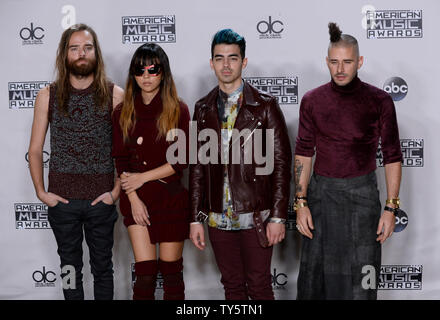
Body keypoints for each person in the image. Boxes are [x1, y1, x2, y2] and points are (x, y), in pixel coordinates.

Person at [294, 22, 403, 300]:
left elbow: (392, 155)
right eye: (334, 62)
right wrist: (301, 203)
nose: (340, 68)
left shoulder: (380, 101)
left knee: (363, 282)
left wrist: (391, 207)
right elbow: (304, 153)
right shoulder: (312, 100)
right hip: (320, 197)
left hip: (363, 198)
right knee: (313, 281)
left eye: (347, 61)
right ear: (326, 62)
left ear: (360, 61)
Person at [189, 29, 292, 300]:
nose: (226, 65)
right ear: (211, 63)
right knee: (232, 287)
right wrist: (195, 218)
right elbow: (197, 169)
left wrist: (279, 216)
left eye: (232, 58)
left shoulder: (265, 106)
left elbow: (281, 164)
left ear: (243, 62)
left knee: (259, 286)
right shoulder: (202, 108)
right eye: (219, 58)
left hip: (256, 214)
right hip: (216, 216)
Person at [28, 23, 124, 300]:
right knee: (69, 269)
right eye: (74, 48)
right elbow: (35, 149)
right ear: (64, 54)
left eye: (87, 47)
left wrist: (115, 192)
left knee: (103, 269)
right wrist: (41, 193)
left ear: (96, 53)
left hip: (100, 201)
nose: (81, 53)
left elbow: (124, 152)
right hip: (63, 203)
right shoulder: (48, 95)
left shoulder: (114, 94)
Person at [112, 43, 190, 300]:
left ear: (163, 72)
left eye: (152, 69)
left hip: (170, 199)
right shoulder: (122, 113)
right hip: (137, 199)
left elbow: (180, 162)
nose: (146, 76)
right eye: (140, 69)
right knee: (144, 274)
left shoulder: (178, 109)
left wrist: (141, 178)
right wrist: (133, 199)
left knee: (171, 273)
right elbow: (121, 162)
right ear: (133, 74)